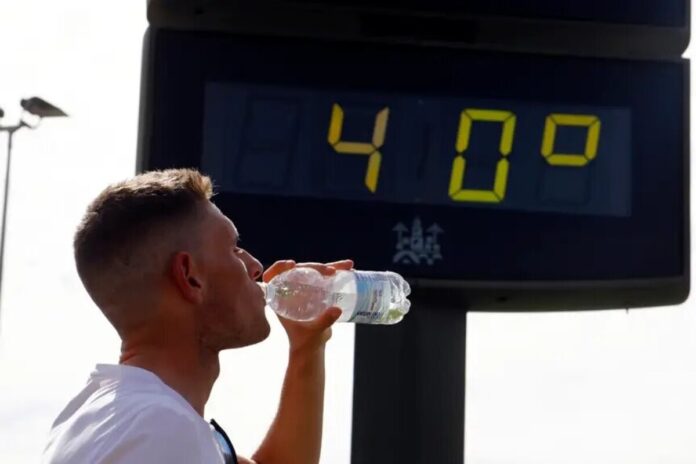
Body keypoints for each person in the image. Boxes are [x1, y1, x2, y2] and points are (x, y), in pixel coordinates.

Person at [41, 168, 352, 464]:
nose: (256, 266)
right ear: (191, 277)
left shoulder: (102, 416)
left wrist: (307, 349)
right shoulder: (161, 428)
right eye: (234, 249)